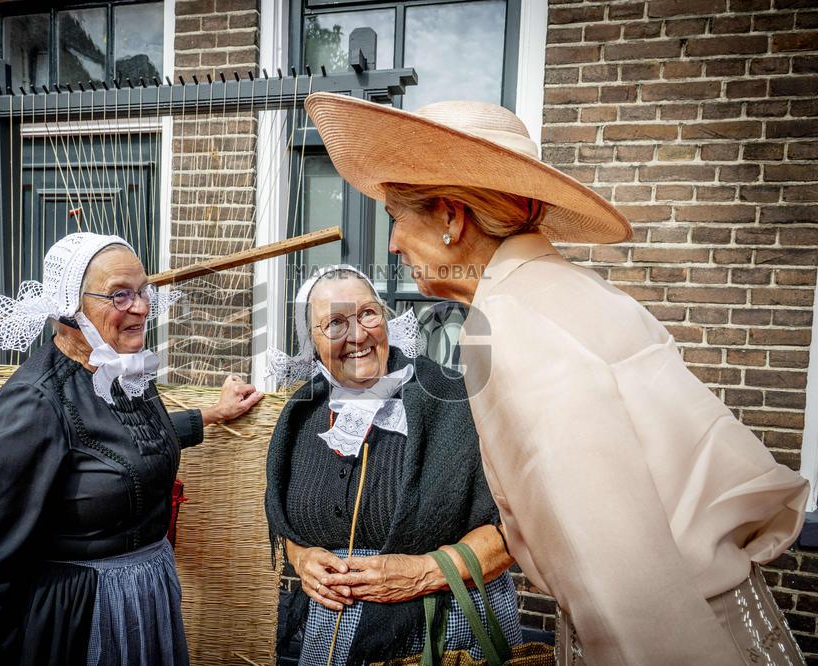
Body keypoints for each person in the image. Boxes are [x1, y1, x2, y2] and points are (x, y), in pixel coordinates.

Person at [304, 93, 809, 665]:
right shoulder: (573, 287)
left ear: (450, 216)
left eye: (397, 218)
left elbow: (621, 580)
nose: (392, 243)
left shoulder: (514, 324)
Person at [0, 232, 262, 665]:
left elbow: (123, 445)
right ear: (71, 307)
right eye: (120, 296)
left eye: (144, 290)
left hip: (144, 602)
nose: (142, 307)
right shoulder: (32, 404)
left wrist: (211, 414)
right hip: (82, 619)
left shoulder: (121, 372)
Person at [265, 265, 522, 666]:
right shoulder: (301, 415)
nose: (357, 335)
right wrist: (302, 559)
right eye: (334, 323)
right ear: (312, 343)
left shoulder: (454, 403)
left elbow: (514, 531)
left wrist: (422, 572)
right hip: (330, 639)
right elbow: (285, 518)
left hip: (445, 633)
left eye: (367, 313)